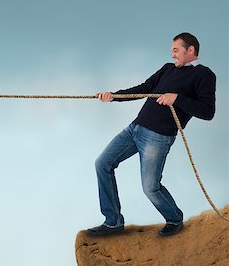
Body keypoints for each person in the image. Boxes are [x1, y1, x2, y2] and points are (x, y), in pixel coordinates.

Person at [87, 32, 216, 237]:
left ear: (190, 50)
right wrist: (113, 96)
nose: (172, 54)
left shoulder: (204, 75)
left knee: (150, 188)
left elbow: (207, 112)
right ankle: (113, 222)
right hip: (134, 129)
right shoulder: (167, 69)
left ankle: (174, 218)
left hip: (158, 137)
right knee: (102, 163)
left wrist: (177, 98)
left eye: (176, 50)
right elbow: (144, 88)